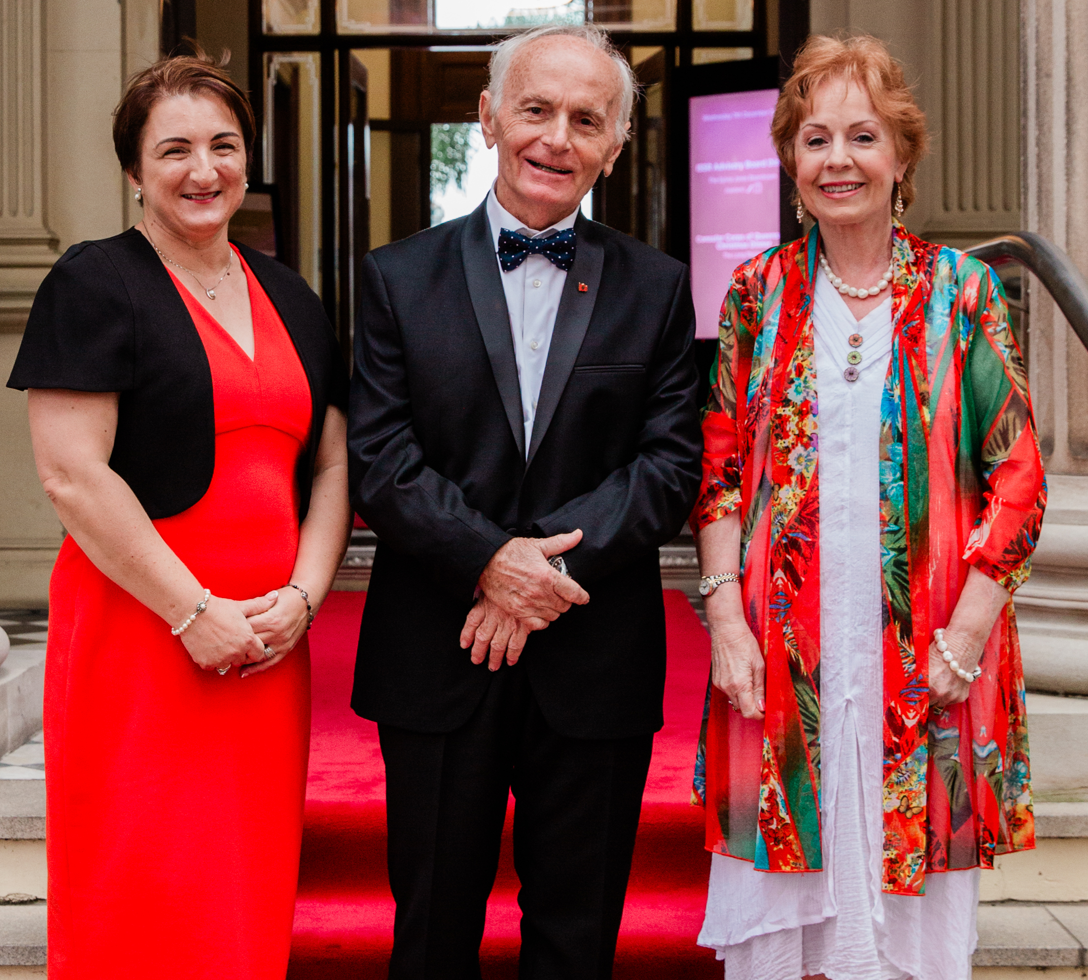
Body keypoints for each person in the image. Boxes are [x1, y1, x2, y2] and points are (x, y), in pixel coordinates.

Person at [348, 23, 703, 980]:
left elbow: (670, 465)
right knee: (431, 936)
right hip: (438, 648)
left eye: (586, 120)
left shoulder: (661, 288)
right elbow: (379, 457)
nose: (556, 137)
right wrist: (489, 562)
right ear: (489, 117)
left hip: (595, 655)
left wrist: (542, 570)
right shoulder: (394, 277)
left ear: (615, 146)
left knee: (576, 941)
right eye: (536, 109)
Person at [691, 34, 1046, 980]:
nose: (837, 160)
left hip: (931, 652)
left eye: (861, 136)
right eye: (815, 139)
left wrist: (964, 639)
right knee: (783, 920)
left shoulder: (963, 292)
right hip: (780, 654)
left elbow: (1018, 479)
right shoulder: (756, 293)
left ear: (901, 156)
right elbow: (719, 474)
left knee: (905, 925)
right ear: (790, 159)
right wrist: (725, 620)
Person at [7, 51, 351, 979]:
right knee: (138, 869)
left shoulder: (290, 294)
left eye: (224, 146)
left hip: (268, 642)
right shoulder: (94, 283)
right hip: (140, 630)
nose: (205, 170)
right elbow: (72, 476)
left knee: (242, 875)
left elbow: (331, 463)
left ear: (248, 159)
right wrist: (192, 612)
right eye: (175, 150)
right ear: (134, 169)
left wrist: (303, 598)